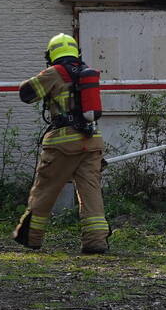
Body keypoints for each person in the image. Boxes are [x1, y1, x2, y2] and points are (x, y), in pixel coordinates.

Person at [12, 33, 110, 254]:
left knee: (45, 189)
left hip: (63, 142)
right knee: (90, 192)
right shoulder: (87, 74)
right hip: (92, 141)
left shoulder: (54, 73)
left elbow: (26, 94)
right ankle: (95, 241)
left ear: (51, 54)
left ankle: (32, 237)